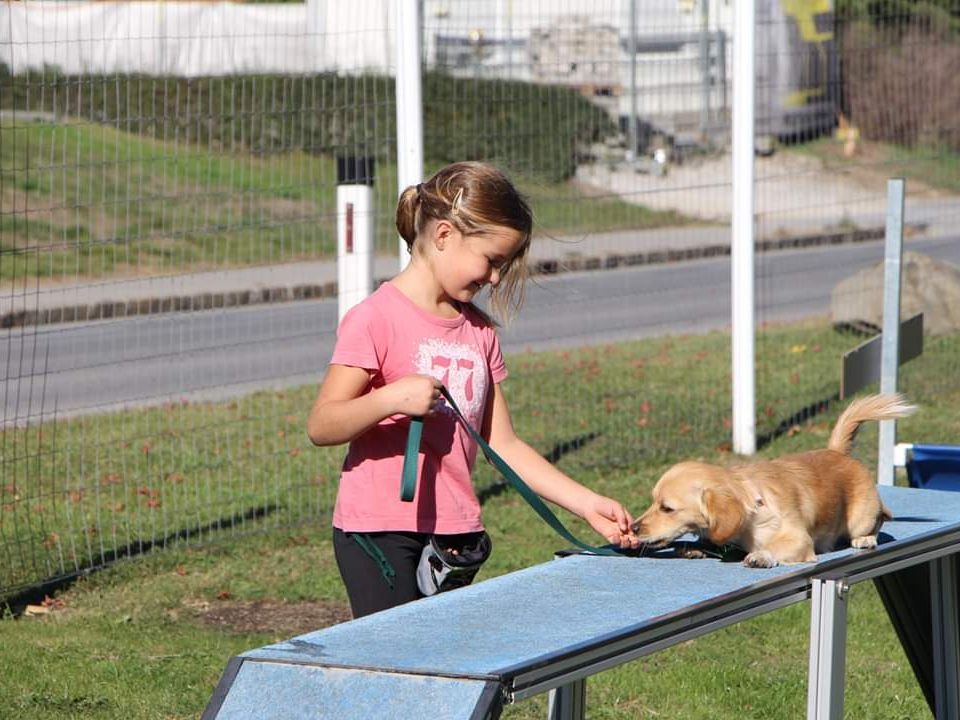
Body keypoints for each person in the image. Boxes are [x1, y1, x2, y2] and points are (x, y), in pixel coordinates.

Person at [307, 161, 639, 618]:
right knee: (397, 666)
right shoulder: (375, 319)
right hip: (380, 532)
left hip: (455, 537)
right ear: (444, 236)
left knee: (446, 669)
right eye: (492, 261)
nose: (496, 279)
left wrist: (587, 504)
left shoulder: (479, 332)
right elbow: (323, 423)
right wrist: (390, 398)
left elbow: (504, 445)